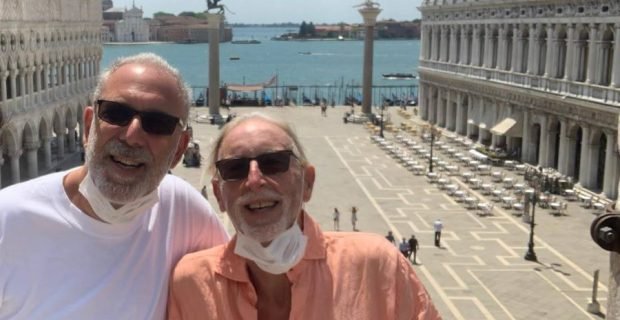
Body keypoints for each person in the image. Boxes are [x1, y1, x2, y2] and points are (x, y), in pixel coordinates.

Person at [0, 53, 229, 319]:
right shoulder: (8, 219)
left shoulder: (184, 211)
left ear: (179, 149)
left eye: (157, 124)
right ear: (88, 126)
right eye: (116, 113)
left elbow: (246, 281)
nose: (132, 136)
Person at [167, 113, 441, 319]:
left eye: (274, 163)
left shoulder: (375, 266)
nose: (254, 180)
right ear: (219, 194)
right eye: (234, 169)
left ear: (307, 183)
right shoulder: (190, 282)